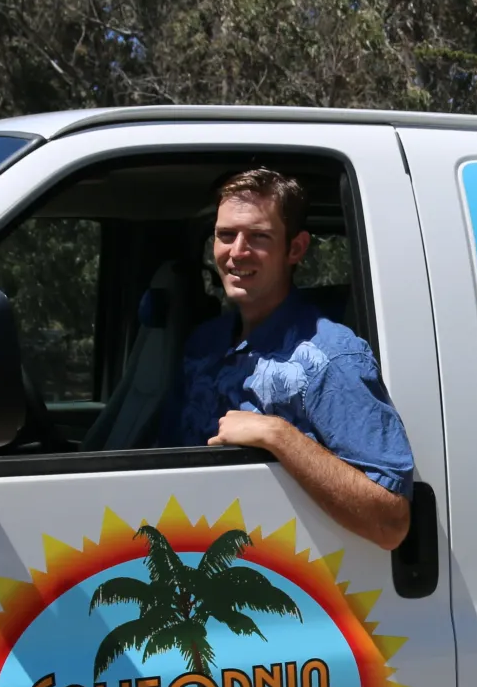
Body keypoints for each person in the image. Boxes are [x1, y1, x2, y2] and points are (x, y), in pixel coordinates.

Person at [159, 169, 413, 551]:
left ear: (295, 249)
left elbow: (392, 523)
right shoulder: (204, 344)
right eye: (226, 235)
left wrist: (278, 436)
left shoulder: (329, 357)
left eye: (259, 237)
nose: (237, 252)